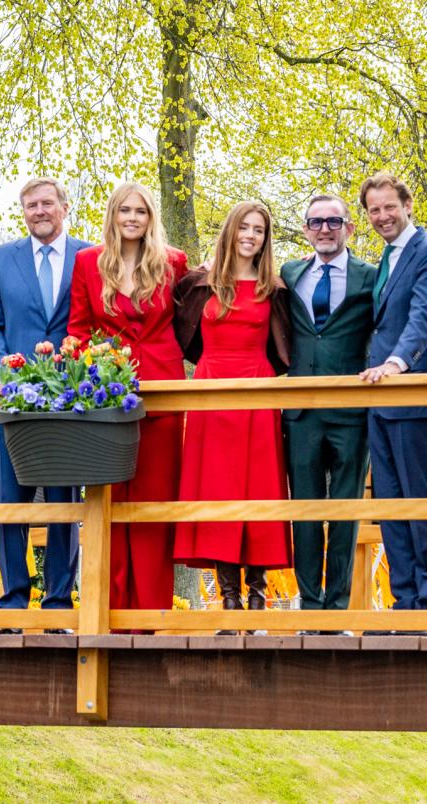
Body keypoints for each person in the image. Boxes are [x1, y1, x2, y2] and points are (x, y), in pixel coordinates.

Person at [67, 182, 188, 615]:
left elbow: (193, 315)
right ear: (113, 216)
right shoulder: (87, 263)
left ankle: (153, 613)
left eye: (140, 211)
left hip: (163, 387)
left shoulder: (174, 262)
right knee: (110, 500)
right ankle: (110, 610)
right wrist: (94, 368)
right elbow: (78, 330)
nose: (133, 218)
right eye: (124, 211)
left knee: (156, 500)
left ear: (150, 217)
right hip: (109, 392)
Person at [173, 201, 292, 623]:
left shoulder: (274, 287)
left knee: (258, 487)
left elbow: (288, 343)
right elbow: (168, 298)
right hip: (211, 390)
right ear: (230, 231)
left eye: (258, 230)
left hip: (257, 390)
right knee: (218, 487)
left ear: (265, 238)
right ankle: (228, 597)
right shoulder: (200, 283)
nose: (250, 235)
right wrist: (196, 269)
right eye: (244, 227)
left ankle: (257, 596)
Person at [0, 177, 89, 630]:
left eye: (47, 203)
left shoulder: (89, 255)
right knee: (11, 501)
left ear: (65, 207)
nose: (39, 211)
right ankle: (13, 602)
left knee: (65, 502)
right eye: (30, 205)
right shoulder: (1, 259)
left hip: (69, 398)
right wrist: (7, 373)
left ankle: (59, 601)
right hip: (15, 398)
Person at [280, 195, 374, 622]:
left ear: (349, 228)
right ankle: (309, 605)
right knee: (305, 509)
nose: (324, 229)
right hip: (301, 413)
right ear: (305, 230)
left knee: (345, 513)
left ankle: (336, 609)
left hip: (352, 413)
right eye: (315, 222)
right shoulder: (290, 272)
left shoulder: (369, 278)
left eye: (333, 221)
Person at [358, 173, 427, 616]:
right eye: (373, 210)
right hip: (377, 402)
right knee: (390, 507)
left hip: (411, 396)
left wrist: (398, 364)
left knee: (419, 505)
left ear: (407, 204)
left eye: (389, 207)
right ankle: (405, 602)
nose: (382, 216)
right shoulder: (385, 257)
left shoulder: (423, 250)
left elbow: (422, 315)